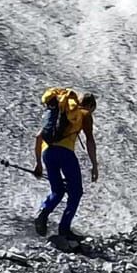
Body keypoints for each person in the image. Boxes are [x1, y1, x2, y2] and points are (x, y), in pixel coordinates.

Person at [32, 89, 99, 239]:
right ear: (90, 106)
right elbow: (89, 140)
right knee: (76, 192)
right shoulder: (84, 114)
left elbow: (38, 137)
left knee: (58, 190)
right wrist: (94, 165)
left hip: (47, 153)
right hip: (66, 153)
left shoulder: (58, 111)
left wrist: (38, 164)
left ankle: (43, 213)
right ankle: (64, 230)